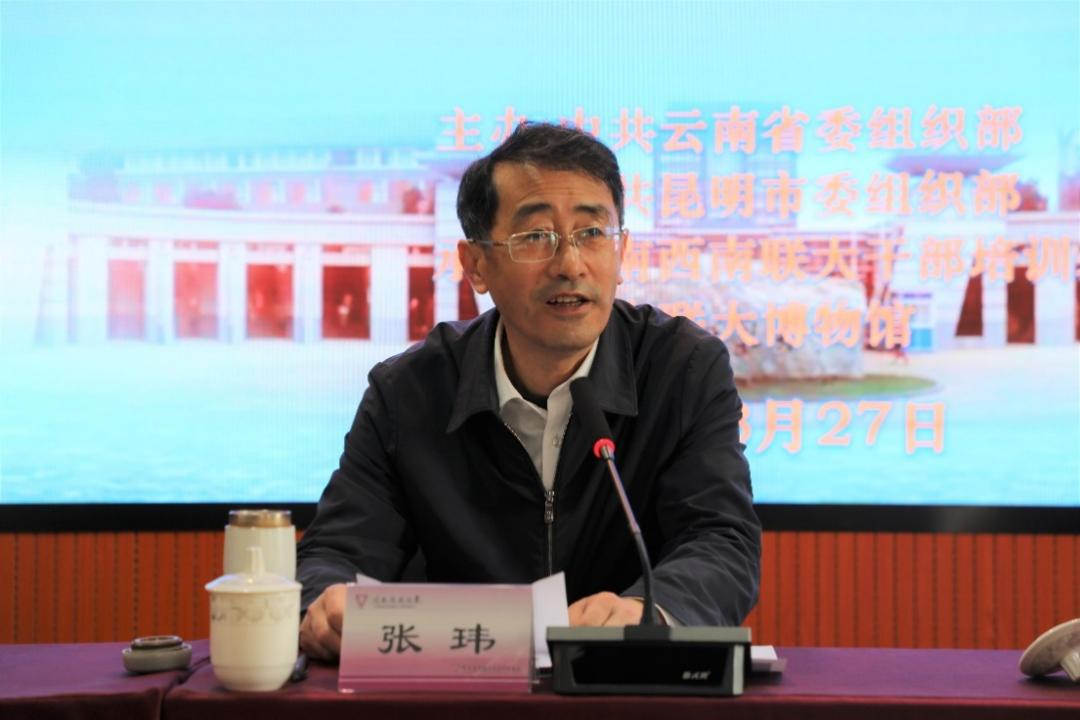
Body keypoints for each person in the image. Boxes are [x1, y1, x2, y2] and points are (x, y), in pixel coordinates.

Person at [297, 122, 761, 661]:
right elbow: (337, 550)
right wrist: (326, 601)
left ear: (622, 251)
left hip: (622, 683)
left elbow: (720, 542)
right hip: (461, 682)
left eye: (592, 233)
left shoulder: (682, 370)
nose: (570, 265)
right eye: (536, 236)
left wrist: (648, 611)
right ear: (476, 265)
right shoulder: (409, 392)